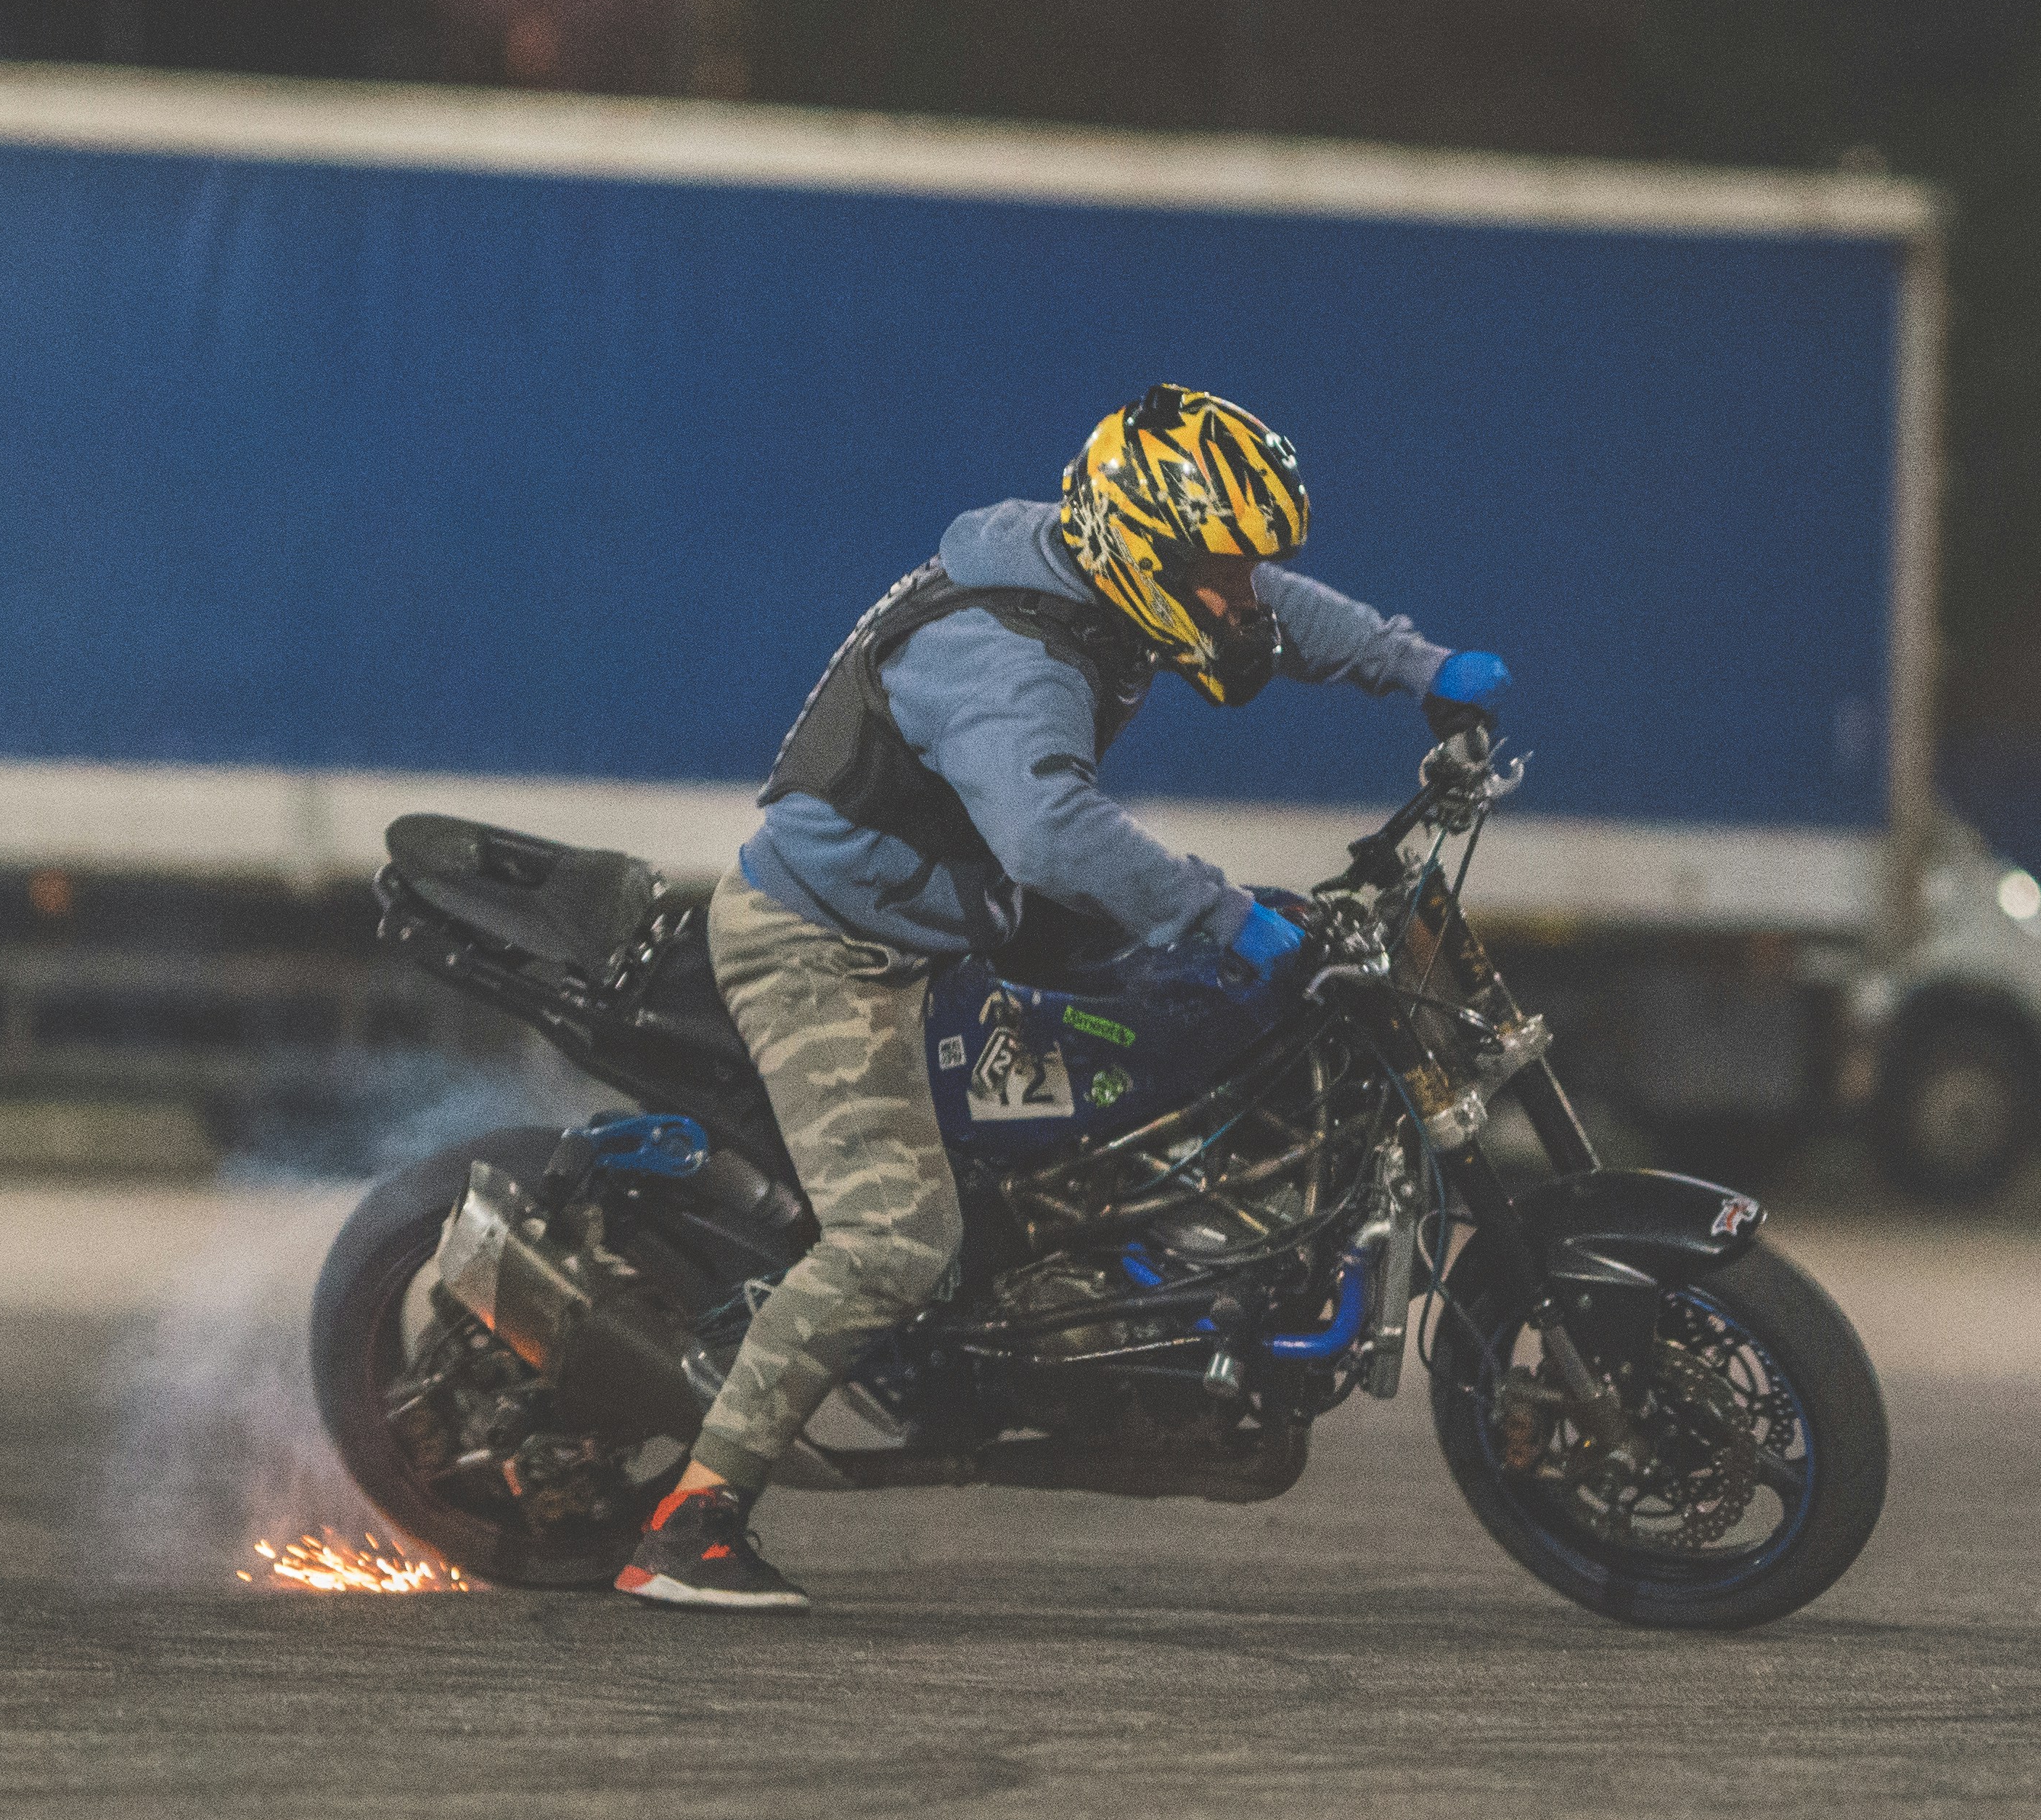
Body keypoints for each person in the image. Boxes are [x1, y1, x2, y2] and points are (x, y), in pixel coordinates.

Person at [615, 384, 1500, 1613]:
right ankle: (691, 1522)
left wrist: (1420, 667)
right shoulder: (1008, 658)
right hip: (832, 945)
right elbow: (1049, 833)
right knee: (895, 1243)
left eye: (1240, 569)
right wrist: (1219, 913)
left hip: (956, 910)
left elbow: (1273, 611)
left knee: (1217, 1007)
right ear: (1145, 553)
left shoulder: (1100, 565)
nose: (1241, 597)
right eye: (1220, 574)